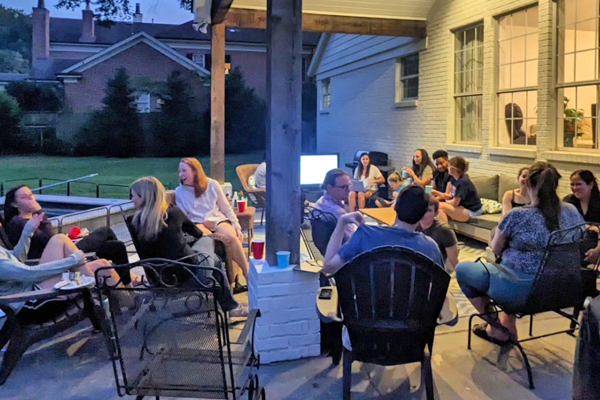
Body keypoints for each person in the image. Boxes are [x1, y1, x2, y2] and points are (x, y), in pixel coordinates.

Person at [456, 162, 584, 345]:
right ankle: (507, 324)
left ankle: (498, 329)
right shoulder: (571, 211)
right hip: (566, 286)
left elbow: (495, 248)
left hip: (526, 291)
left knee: (464, 269)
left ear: (528, 184)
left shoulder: (518, 215)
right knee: (509, 267)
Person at [129, 177, 247, 319]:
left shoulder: (134, 223)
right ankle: (231, 305)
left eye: (133, 196)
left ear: (144, 197)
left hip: (160, 281)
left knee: (213, 259)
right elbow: (197, 233)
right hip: (193, 277)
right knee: (208, 242)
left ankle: (230, 305)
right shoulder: (173, 213)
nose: (131, 200)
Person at [3, 185, 130, 282]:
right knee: (105, 231)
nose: (31, 198)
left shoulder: (31, 219)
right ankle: (128, 283)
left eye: (31, 194)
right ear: (14, 204)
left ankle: (128, 282)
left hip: (61, 254)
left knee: (115, 246)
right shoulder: (18, 222)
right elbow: (50, 240)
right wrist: (40, 211)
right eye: (25, 197)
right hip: (56, 260)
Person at [0, 212, 114, 311]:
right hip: (30, 300)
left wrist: (27, 232)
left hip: (31, 287)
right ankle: (96, 292)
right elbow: (29, 274)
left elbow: (17, 258)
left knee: (102, 264)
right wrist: (72, 260)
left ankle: (127, 304)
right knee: (60, 239)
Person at [323, 186, 444, 276]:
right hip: (414, 310)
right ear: (423, 215)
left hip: (367, 308)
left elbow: (329, 267)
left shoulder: (365, 235)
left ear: (395, 207)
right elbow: (438, 287)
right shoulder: (431, 247)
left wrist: (342, 223)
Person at [174, 157, 250, 287]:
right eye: (180, 171)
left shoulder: (212, 185)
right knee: (211, 237)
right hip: (197, 224)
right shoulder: (179, 192)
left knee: (231, 236)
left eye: (184, 171)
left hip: (217, 220)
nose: (181, 175)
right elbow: (184, 217)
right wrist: (201, 225)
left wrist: (236, 225)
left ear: (195, 172)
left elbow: (226, 208)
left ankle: (247, 272)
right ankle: (228, 281)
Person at [418, 196, 459, 271]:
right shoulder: (413, 225)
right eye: (421, 209)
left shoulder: (444, 230)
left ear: (436, 213)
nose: (424, 213)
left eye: (428, 210)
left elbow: (453, 260)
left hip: (435, 268)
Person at [438, 156, 482, 223]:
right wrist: (436, 193)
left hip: (472, 211)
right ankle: (443, 231)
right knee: (438, 209)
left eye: (449, 166)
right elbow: (450, 195)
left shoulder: (463, 182)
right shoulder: (453, 179)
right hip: (462, 207)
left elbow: (455, 203)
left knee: (439, 206)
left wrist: (446, 202)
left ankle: (444, 231)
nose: (447, 168)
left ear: (454, 169)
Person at [314, 169, 355, 240]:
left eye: (349, 186)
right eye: (344, 187)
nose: (349, 190)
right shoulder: (338, 212)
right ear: (329, 188)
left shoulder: (320, 202)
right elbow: (352, 237)